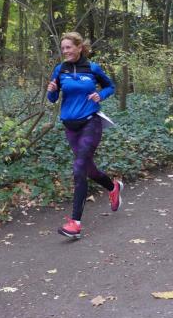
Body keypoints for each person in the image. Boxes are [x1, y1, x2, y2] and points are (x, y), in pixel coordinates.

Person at [46, 32, 123, 240]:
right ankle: (113, 187)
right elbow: (52, 99)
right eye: (63, 48)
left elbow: (110, 86)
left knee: (79, 168)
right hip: (71, 127)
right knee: (89, 169)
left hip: (91, 122)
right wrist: (51, 90)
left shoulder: (92, 68)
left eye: (69, 47)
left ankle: (75, 223)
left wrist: (101, 95)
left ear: (79, 47)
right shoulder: (60, 70)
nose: (65, 51)